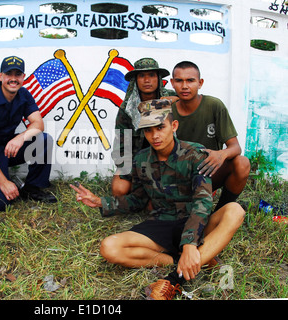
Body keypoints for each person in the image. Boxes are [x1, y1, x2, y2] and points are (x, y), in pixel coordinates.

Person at [70, 100, 245, 300]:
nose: (155, 136)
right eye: (148, 130)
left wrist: (189, 242)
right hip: (161, 224)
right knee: (109, 247)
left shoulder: (195, 154)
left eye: (160, 127)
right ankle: (190, 259)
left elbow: (202, 202)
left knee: (235, 211)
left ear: (174, 126)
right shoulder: (141, 159)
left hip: (193, 222)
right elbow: (137, 200)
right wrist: (102, 202)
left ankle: (174, 280)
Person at [0, 56, 57, 210]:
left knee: (43, 140)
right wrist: (3, 182)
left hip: (9, 147)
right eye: (8, 74)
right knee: (1, 203)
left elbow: (38, 124)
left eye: (17, 74)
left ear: (23, 77)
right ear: (0, 76)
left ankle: (32, 188)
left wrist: (20, 138)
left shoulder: (23, 95)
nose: (13, 79)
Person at [170, 61, 250, 211]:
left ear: (200, 83)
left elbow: (235, 147)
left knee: (242, 163)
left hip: (208, 170)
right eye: (179, 81)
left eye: (190, 80)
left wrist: (221, 154)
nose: (185, 86)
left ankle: (221, 210)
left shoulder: (214, 105)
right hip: (180, 176)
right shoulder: (167, 110)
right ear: (172, 83)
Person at [112, 58, 177, 197]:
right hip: (138, 160)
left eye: (151, 75)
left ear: (158, 78)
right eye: (142, 76)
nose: (147, 80)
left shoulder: (173, 99)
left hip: (168, 158)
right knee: (119, 190)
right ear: (136, 80)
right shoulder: (128, 108)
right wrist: (133, 171)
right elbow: (122, 146)